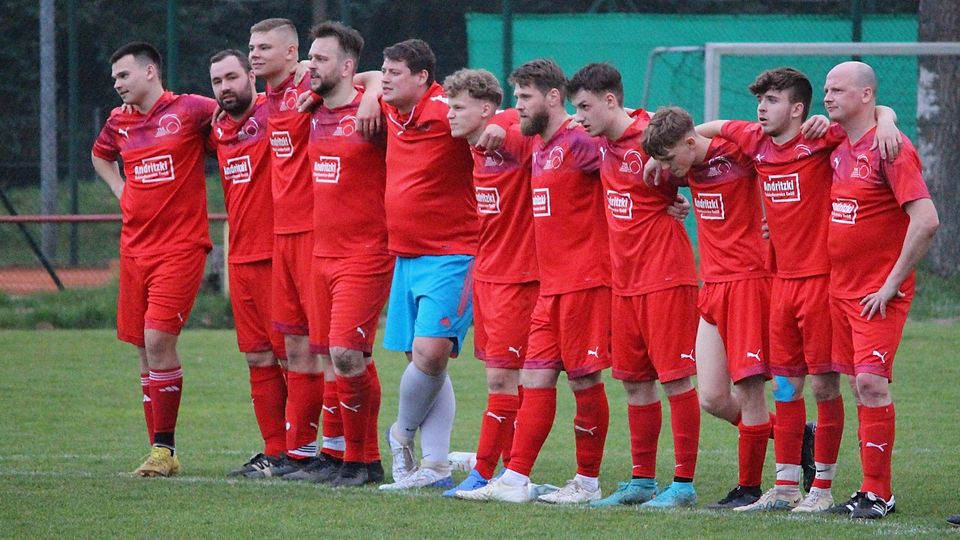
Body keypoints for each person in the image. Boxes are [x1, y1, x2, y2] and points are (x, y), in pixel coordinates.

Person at [697, 67, 900, 512]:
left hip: (824, 283)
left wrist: (887, 119)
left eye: (771, 101)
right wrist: (662, 152)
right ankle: (787, 485)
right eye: (759, 101)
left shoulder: (823, 138)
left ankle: (822, 490)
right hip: (780, 285)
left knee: (825, 387)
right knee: (785, 388)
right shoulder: (753, 140)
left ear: (796, 108)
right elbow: (709, 128)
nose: (761, 109)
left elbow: (871, 114)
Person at [458, 59, 612, 505]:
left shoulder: (579, 142)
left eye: (525, 98)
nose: (518, 107)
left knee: (584, 382)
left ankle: (587, 482)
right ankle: (515, 477)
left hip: (586, 281)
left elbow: (625, 166)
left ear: (551, 98)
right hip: (550, 284)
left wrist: (665, 200)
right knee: (537, 377)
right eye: (517, 97)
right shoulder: (541, 146)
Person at [567, 63, 701, 509]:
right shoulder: (601, 142)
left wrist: (681, 198)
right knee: (635, 382)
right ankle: (642, 481)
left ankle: (682, 484)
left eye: (585, 106)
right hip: (623, 282)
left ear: (610, 101)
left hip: (665, 275)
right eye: (575, 108)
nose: (580, 116)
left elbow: (705, 158)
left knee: (676, 379)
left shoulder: (652, 138)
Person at [376, 39, 506, 491]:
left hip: (453, 253)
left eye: (395, 72)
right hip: (405, 255)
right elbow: (361, 81)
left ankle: (400, 434)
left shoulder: (445, 109)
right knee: (424, 363)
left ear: (422, 79)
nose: (386, 78)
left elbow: (496, 114)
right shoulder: (390, 107)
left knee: (430, 355)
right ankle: (433, 465)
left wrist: (503, 127)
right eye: (384, 71)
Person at [91, 41, 217, 476]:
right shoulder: (118, 122)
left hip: (180, 247)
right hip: (134, 247)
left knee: (159, 341)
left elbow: (238, 119)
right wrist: (119, 188)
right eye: (114, 79)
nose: (117, 84)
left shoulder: (192, 110)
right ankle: (159, 452)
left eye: (123, 76)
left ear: (149, 72)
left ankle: (164, 451)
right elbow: (100, 155)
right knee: (144, 351)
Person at [822, 61, 938, 519]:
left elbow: (926, 220)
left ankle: (880, 494)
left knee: (871, 383)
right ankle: (870, 491)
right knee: (857, 385)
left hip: (877, 293)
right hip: (841, 291)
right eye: (826, 90)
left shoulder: (891, 149)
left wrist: (891, 284)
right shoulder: (839, 142)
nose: (828, 97)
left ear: (865, 95)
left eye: (838, 90)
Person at [642, 106, 774, 509]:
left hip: (749, 281)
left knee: (749, 392)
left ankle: (749, 487)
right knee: (713, 396)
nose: (666, 169)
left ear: (689, 142)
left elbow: (783, 155)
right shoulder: (687, 168)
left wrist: (774, 216)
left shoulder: (736, 154)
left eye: (668, 159)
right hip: (712, 286)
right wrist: (658, 162)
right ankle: (798, 437)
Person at [440, 68, 538, 497]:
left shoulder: (510, 135)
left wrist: (503, 122)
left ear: (485, 108)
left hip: (519, 278)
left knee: (505, 379)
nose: (450, 116)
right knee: (504, 381)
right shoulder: (476, 149)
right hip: (490, 277)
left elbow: (535, 119)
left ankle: (487, 472)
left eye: (458, 108)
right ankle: (504, 471)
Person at [302, 21, 389, 487]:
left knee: (346, 354)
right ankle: (350, 461)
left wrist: (371, 90)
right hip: (322, 254)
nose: (310, 66)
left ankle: (364, 460)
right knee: (340, 359)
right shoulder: (313, 108)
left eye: (320, 59)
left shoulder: (373, 112)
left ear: (349, 66)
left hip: (367, 252)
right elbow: (292, 69)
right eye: (311, 57)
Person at [208, 49, 288, 477]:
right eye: (217, 81)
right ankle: (274, 452)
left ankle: (302, 448)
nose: (225, 87)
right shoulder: (217, 125)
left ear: (251, 77)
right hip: (239, 258)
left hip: (279, 254)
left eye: (232, 77)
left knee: (293, 357)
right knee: (257, 358)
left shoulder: (276, 111)